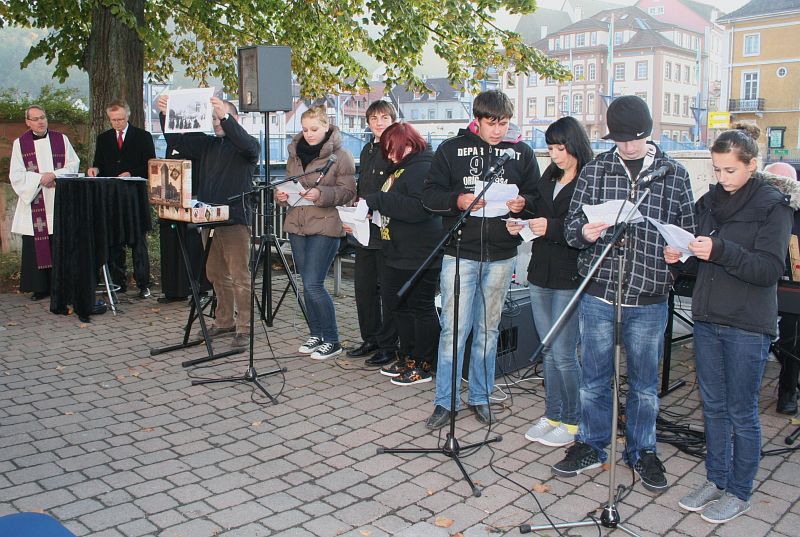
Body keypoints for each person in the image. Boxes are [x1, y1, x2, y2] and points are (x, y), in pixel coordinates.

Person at [553, 95, 697, 493]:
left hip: (649, 295)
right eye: (620, 139)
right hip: (600, 291)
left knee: (645, 385)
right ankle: (591, 443)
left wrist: (677, 258)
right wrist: (585, 233)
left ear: (649, 133)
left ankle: (642, 450)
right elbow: (571, 228)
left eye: (635, 138)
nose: (629, 146)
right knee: (594, 379)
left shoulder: (674, 174)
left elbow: (688, 232)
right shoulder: (597, 169)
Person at [664, 125, 793, 523]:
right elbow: (700, 252)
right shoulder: (709, 202)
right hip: (708, 316)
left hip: (746, 322)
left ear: (752, 165)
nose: (721, 178)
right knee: (714, 407)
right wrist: (681, 254)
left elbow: (768, 269)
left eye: (730, 170)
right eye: (716, 169)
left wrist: (719, 250)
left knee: (741, 411)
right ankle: (716, 479)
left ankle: (739, 490)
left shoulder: (773, 206)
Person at [422, 90, 539, 429]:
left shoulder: (521, 152)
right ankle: (445, 401)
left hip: (502, 255)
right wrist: (458, 200)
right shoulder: (451, 150)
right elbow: (429, 195)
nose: (499, 131)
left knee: (488, 330)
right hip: (460, 253)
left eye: (504, 123)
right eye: (492, 123)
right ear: (477, 120)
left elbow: (536, 196)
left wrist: (523, 204)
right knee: (453, 330)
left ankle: (481, 396)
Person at [506, 116, 593, 447]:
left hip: (569, 274)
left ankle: (573, 420)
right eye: (551, 149)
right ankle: (553, 414)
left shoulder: (589, 178)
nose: (554, 155)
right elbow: (538, 210)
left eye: (560, 148)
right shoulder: (551, 174)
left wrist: (549, 227)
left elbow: (585, 228)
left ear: (574, 145)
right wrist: (520, 214)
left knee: (564, 352)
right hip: (540, 271)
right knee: (549, 350)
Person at [157, 94, 259, 350]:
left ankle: (245, 327)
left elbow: (247, 145)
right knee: (215, 273)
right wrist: (166, 114)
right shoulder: (208, 145)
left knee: (239, 275)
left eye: (220, 118)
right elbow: (176, 140)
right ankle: (224, 321)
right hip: (209, 219)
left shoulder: (247, 146)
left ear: (235, 119)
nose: (216, 123)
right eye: (213, 119)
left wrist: (224, 117)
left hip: (235, 221)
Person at [359, 123, 443, 385]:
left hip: (419, 253)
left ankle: (424, 362)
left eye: (393, 149)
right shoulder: (400, 169)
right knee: (400, 307)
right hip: (395, 249)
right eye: (386, 151)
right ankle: (407, 355)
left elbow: (420, 208)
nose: (390, 156)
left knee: (420, 308)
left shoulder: (424, 168)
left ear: (408, 144)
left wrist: (379, 201)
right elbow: (397, 206)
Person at [275, 105, 356, 360]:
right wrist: (281, 196)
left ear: (326, 127)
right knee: (306, 284)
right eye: (305, 129)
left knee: (313, 284)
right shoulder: (294, 154)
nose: (309, 134)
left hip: (325, 224)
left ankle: (332, 339)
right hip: (297, 224)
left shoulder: (341, 156)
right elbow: (286, 184)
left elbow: (349, 192)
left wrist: (320, 193)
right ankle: (316, 334)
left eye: (314, 129)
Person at [347, 101, 400, 366]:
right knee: (364, 289)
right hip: (363, 229)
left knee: (388, 291)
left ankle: (389, 345)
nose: (379, 123)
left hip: (387, 230)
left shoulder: (397, 149)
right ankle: (370, 338)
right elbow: (363, 186)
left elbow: (397, 189)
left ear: (393, 120)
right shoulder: (367, 149)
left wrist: (375, 208)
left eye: (384, 118)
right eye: (374, 118)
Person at [9, 105, 80, 301]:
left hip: (57, 197)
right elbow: (16, 174)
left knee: (59, 241)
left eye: (43, 117)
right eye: (35, 119)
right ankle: (39, 287)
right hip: (35, 199)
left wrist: (54, 175)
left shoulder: (61, 139)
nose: (40, 121)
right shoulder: (20, 144)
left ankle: (61, 284)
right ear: (28, 122)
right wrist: (40, 179)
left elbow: (73, 164)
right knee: (36, 243)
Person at [88, 99, 155, 298]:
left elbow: (151, 165)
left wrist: (131, 173)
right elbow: (99, 163)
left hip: (134, 196)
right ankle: (118, 283)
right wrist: (95, 169)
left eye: (120, 119)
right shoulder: (103, 138)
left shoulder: (142, 136)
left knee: (138, 241)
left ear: (128, 116)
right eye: (113, 120)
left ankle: (143, 284)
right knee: (114, 240)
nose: (117, 123)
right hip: (111, 197)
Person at [765, 161, 800, 415]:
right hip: (754, 282)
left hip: (790, 286)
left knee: (793, 328)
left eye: (784, 185)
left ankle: (788, 389)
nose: (779, 190)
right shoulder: (753, 206)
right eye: (773, 184)